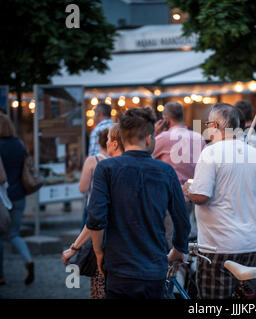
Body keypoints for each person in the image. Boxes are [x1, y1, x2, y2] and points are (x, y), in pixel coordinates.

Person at [86, 108, 190, 299]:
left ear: (123, 140)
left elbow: (95, 217)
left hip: (118, 267)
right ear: (149, 139)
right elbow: (182, 220)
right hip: (154, 268)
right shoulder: (166, 171)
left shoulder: (106, 168)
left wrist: (99, 251)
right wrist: (178, 248)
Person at [183, 103, 256, 299]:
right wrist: (246, 196)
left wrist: (188, 191)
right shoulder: (255, 153)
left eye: (208, 123)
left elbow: (201, 196)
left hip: (218, 246)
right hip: (251, 244)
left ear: (216, 126)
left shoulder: (211, 152)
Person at [62, 124, 124, 299]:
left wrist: (78, 249)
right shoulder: (143, 168)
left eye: (108, 139)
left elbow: (96, 219)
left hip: (110, 249)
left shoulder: (106, 169)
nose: (106, 142)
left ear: (115, 143)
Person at [153, 102, 206, 242]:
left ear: (166, 119)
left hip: (170, 194)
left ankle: (175, 262)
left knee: (170, 236)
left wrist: (156, 134)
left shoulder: (163, 138)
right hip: (193, 194)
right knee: (186, 234)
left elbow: (146, 157)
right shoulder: (198, 138)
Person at [0, 113, 34, 286]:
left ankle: (1, 275)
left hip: (2, 198)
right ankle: (28, 260)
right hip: (19, 195)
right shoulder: (19, 144)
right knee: (14, 233)